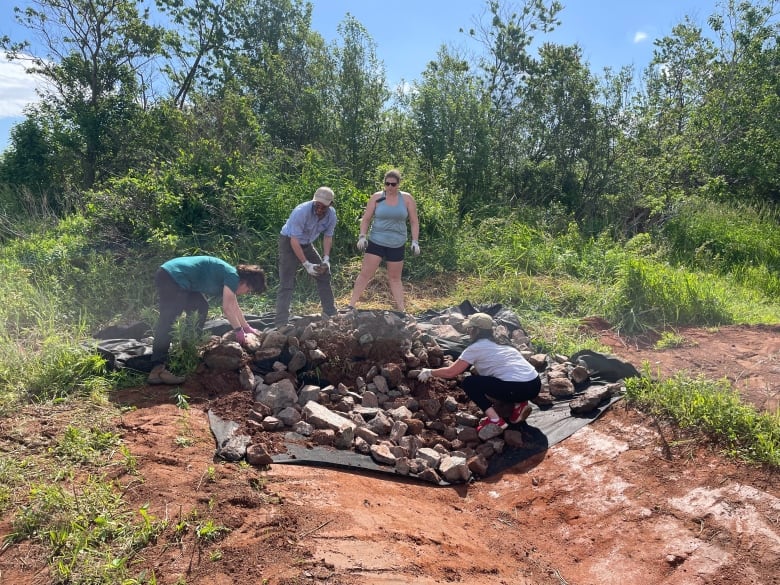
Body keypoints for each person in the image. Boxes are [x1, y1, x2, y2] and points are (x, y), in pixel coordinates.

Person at [149, 256, 267, 385]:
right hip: (172, 276)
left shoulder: (231, 276)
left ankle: (187, 349)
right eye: (248, 290)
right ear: (245, 282)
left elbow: (234, 306)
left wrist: (246, 327)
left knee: (200, 307)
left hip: (182, 280)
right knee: (168, 320)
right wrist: (238, 331)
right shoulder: (233, 276)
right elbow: (227, 309)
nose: (246, 293)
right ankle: (157, 369)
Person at [418, 313, 541, 433]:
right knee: (492, 380)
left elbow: (451, 372)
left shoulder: (475, 348)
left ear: (477, 330)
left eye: (470, 329)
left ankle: (496, 420)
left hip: (517, 388)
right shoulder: (502, 342)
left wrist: (429, 372)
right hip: (535, 384)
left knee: (469, 383)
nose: (468, 332)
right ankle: (519, 404)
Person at [348, 169, 420, 312]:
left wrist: (415, 241)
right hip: (377, 240)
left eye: (393, 184)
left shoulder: (406, 199)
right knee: (365, 273)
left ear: (399, 184)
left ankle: (402, 310)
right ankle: (350, 305)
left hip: (397, 242)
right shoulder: (376, 198)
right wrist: (362, 236)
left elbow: (413, 221)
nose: (390, 187)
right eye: (387, 184)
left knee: (394, 278)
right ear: (384, 184)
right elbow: (367, 218)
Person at [275, 187, 338, 327]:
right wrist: (306, 264)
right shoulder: (301, 212)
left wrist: (326, 259)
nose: (320, 209)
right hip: (289, 242)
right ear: (314, 201)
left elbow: (328, 236)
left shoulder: (331, 215)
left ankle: (330, 313)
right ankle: (281, 323)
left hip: (306, 243)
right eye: (318, 205)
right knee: (287, 283)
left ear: (330, 205)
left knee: (324, 274)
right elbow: (294, 241)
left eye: (324, 206)